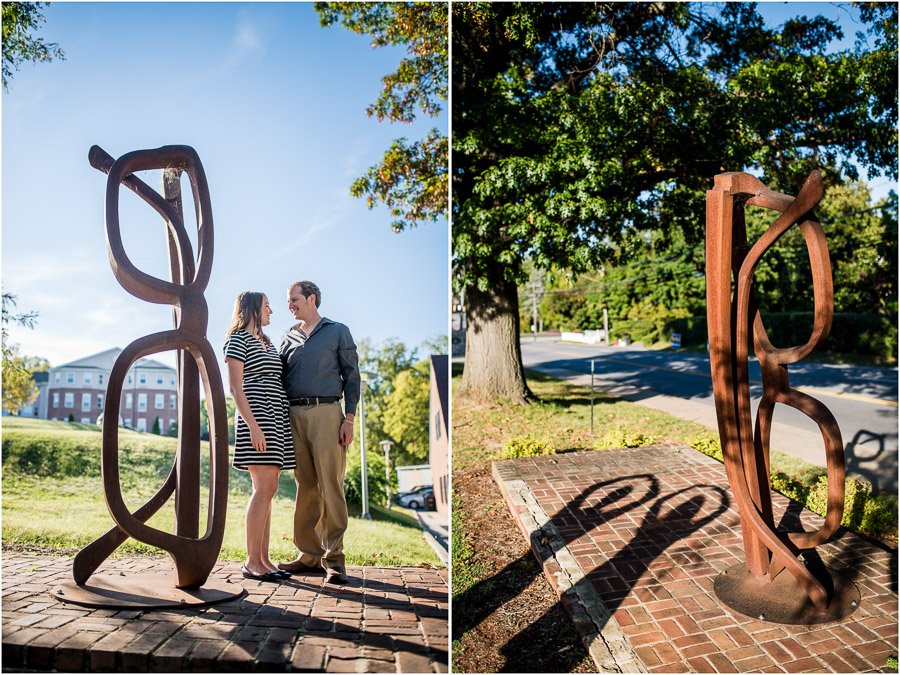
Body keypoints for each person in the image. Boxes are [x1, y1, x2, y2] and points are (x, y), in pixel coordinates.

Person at [277, 280, 360, 584]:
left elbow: (352, 376)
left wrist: (348, 419)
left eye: (294, 299)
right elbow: (279, 378)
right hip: (294, 415)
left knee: (331, 486)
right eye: (288, 301)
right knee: (306, 486)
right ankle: (309, 555)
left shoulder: (337, 331)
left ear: (312, 299)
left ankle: (335, 559)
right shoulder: (288, 337)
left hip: (327, 413)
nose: (290, 305)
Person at [224, 291, 295, 582]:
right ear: (253, 308)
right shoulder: (237, 339)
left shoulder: (266, 343)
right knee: (263, 489)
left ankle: (264, 560)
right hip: (258, 420)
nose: (271, 311)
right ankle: (251, 561)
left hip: (276, 419)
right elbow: (235, 389)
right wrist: (253, 426)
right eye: (267, 306)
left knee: (270, 489)